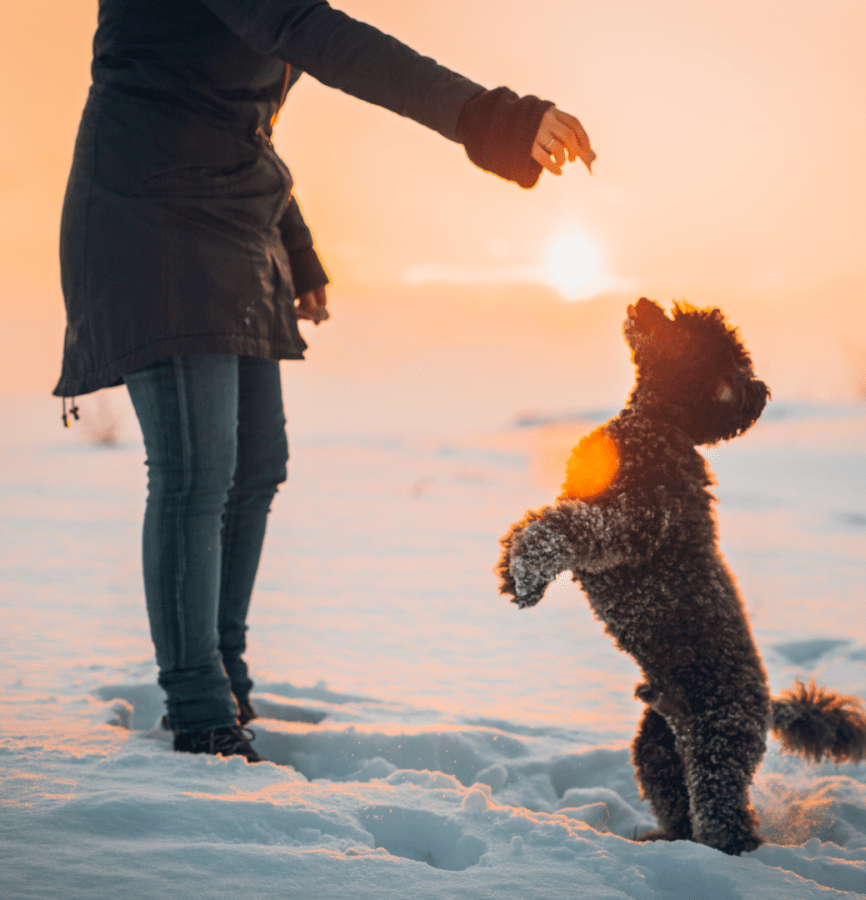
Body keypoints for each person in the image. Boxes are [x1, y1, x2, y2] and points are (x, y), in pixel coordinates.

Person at [54, 0, 595, 762]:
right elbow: (305, 30)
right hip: (149, 215)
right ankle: (199, 709)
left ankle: (224, 674)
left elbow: (238, 115)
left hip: (236, 220)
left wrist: (296, 247)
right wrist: (488, 116)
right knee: (195, 473)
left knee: (255, 467)